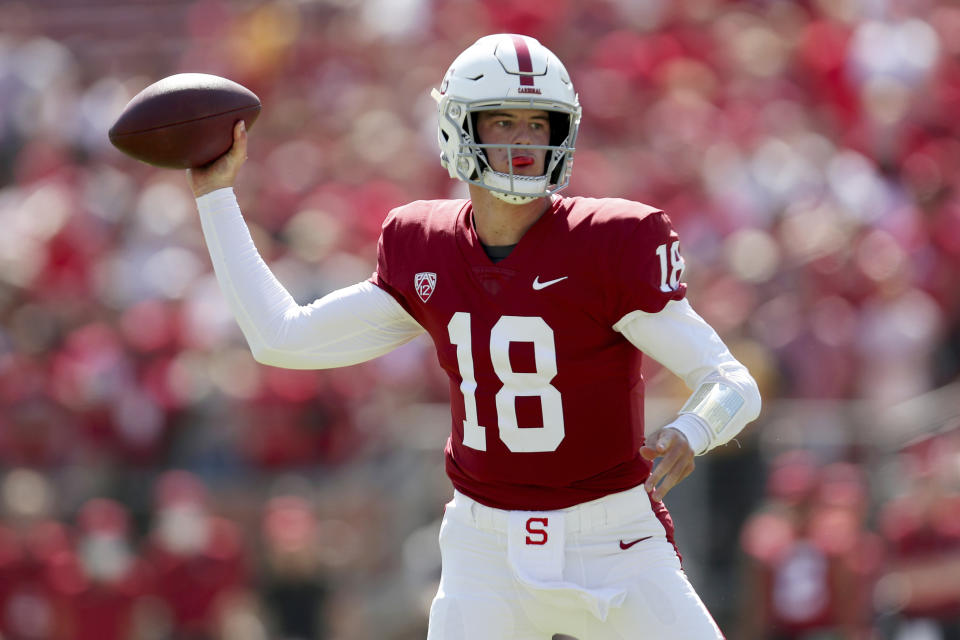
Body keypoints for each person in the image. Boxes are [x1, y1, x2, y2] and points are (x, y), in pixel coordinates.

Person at [186, 33, 761, 639]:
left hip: (613, 540)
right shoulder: (423, 245)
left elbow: (732, 382)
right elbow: (282, 338)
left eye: (539, 123)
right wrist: (215, 195)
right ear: (456, 127)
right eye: (504, 120)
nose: (522, 141)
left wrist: (692, 429)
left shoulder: (612, 241)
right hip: (484, 551)